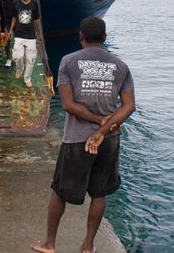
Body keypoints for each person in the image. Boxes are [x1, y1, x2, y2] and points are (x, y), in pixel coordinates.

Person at [31, 17, 135, 253]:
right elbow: (128, 106)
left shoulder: (68, 62)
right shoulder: (120, 66)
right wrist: (103, 127)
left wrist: (97, 123)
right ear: (105, 38)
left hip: (77, 139)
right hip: (109, 139)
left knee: (60, 190)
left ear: (81, 36)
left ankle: (49, 243)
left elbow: (67, 104)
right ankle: (88, 246)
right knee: (100, 193)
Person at [9, 0, 43, 88]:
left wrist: (40, 33)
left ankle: (27, 78)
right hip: (19, 34)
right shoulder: (15, 3)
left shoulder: (34, 4)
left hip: (31, 35)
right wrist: (10, 30)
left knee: (30, 58)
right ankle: (20, 69)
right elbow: (14, 17)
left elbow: (37, 19)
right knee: (17, 56)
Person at [0, 0, 20, 67]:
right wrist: (1, 21)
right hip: (6, 18)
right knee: (7, 38)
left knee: (19, 39)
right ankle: (8, 58)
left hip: (18, 18)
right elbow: (0, 6)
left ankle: (17, 56)